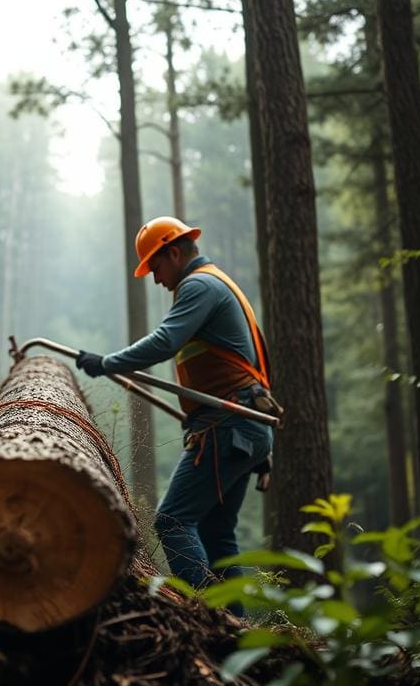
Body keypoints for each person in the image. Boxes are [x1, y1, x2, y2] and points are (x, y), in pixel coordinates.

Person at [74, 216, 278, 598]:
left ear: (173, 252)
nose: (154, 278)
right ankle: (235, 629)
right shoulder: (216, 283)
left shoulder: (199, 285)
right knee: (217, 533)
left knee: (172, 520)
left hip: (228, 426)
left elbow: (165, 341)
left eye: (155, 266)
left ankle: (209, 619)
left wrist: (107, 363)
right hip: (241, 426)